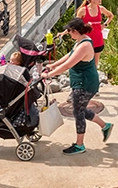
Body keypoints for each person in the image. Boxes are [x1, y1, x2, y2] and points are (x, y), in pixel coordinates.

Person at [41, 18, 113, 155]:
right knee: (79, 109)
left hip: (85, 83)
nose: (68, 33)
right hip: (81, 82)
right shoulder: (81, 41)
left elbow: (68, 65)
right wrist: (53, 65)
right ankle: (105, 126)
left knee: (78, 112)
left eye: (69, 31)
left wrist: (49, 75)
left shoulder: (84, 45)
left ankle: (80, 145)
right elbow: (69, 56)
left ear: (75, 31)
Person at [76, 0, 114, 68]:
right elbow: (75, 24)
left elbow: (110, 16)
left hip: (98, 40)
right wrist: (65, 32)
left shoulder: (101, 8)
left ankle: (93, 75)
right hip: (86, 40)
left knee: (95, 64)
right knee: (83, 63)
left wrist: (104, 25)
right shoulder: (82, 10)